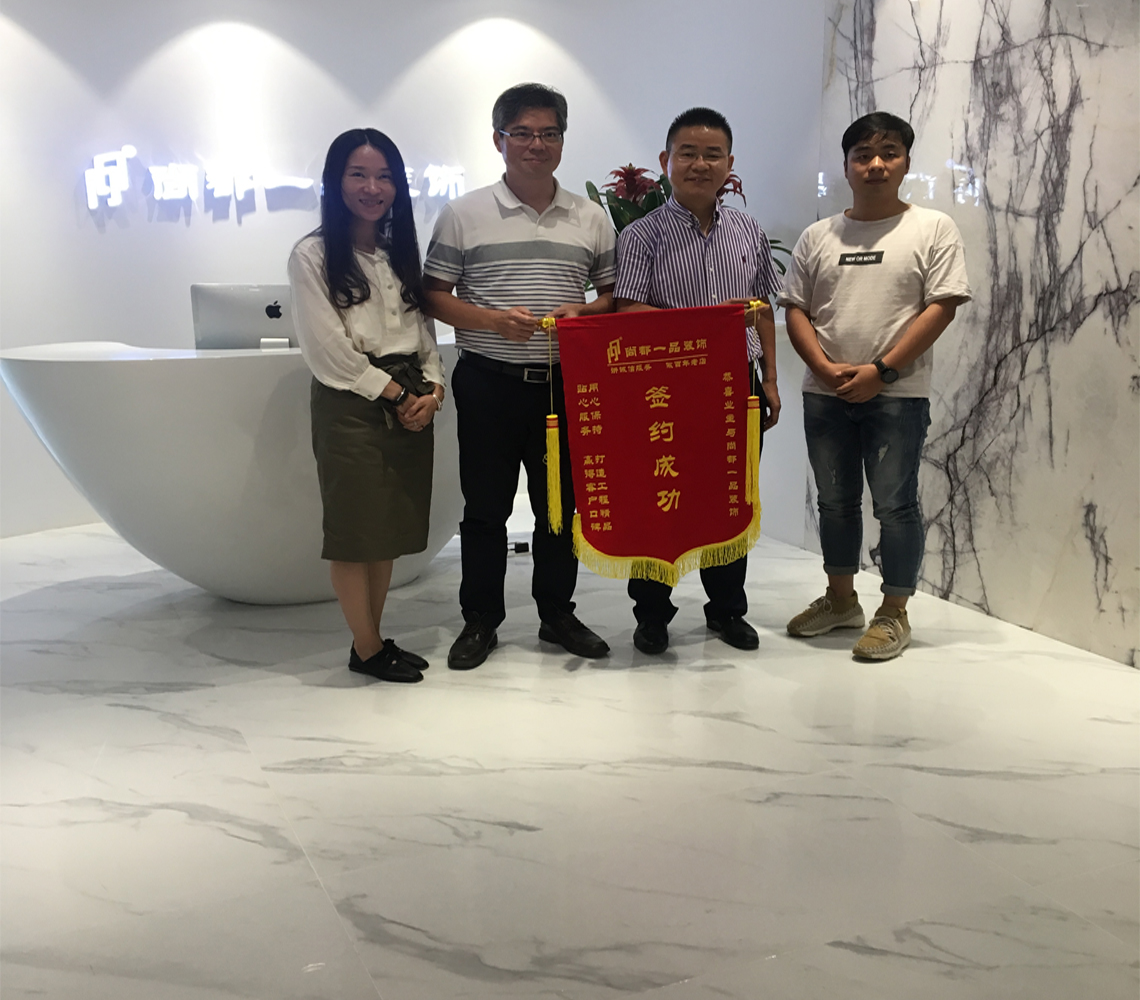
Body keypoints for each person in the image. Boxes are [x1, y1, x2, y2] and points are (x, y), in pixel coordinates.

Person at [423, 83, 616, 670]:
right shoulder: (464, 213)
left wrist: (585, 312)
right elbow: (433, 294)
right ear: (498, 140)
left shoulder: (591, 217)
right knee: (486, 508)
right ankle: (481, 619)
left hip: (565, 385)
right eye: (523, 133)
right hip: (489, 381)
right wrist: (490, 321)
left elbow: (613, 296)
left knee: (561, 507)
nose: (537, 144)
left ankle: (557, 613)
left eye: (549, 133)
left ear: (562, 140)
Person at [779, 111, 971, 659]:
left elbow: (942, 307)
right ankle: (841, 601)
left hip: (896, 395)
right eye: (862, 155)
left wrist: (881, 371)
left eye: (889, 153)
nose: (876, 164)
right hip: (827, 394)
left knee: (895, 505)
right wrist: (822, 367)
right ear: (846, 166)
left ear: (906, 162)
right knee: (835, 502)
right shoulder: (819, 235)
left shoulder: (932, 228)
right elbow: (795, 309)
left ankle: (894, 612)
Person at [614, 107, 782, 655]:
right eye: (688, 153)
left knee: (731, 497)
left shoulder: (748, 230)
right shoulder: (641, 235)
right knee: (659, 498)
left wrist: (770, 379)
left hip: (737, 387)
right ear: (666, 161)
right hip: (666, 390)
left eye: (713, 155)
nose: (700, 164)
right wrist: (705, 327)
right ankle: (652, 615)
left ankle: (727, 610)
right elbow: (629, 310)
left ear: (729, 164)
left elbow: (761, 310)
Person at [289, 128, 446, 683]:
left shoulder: (395, 253)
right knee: (356, 535)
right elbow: (328, 352)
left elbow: (424, 334)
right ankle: (368, 646)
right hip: (354, 402)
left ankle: (372, 641)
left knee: (387, 531)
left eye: (384, 176)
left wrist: (434, 390)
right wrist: (400, 394)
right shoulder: (312, 255)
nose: (372, 187)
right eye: (358, 174)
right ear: (335, 182)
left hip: (411, 395)